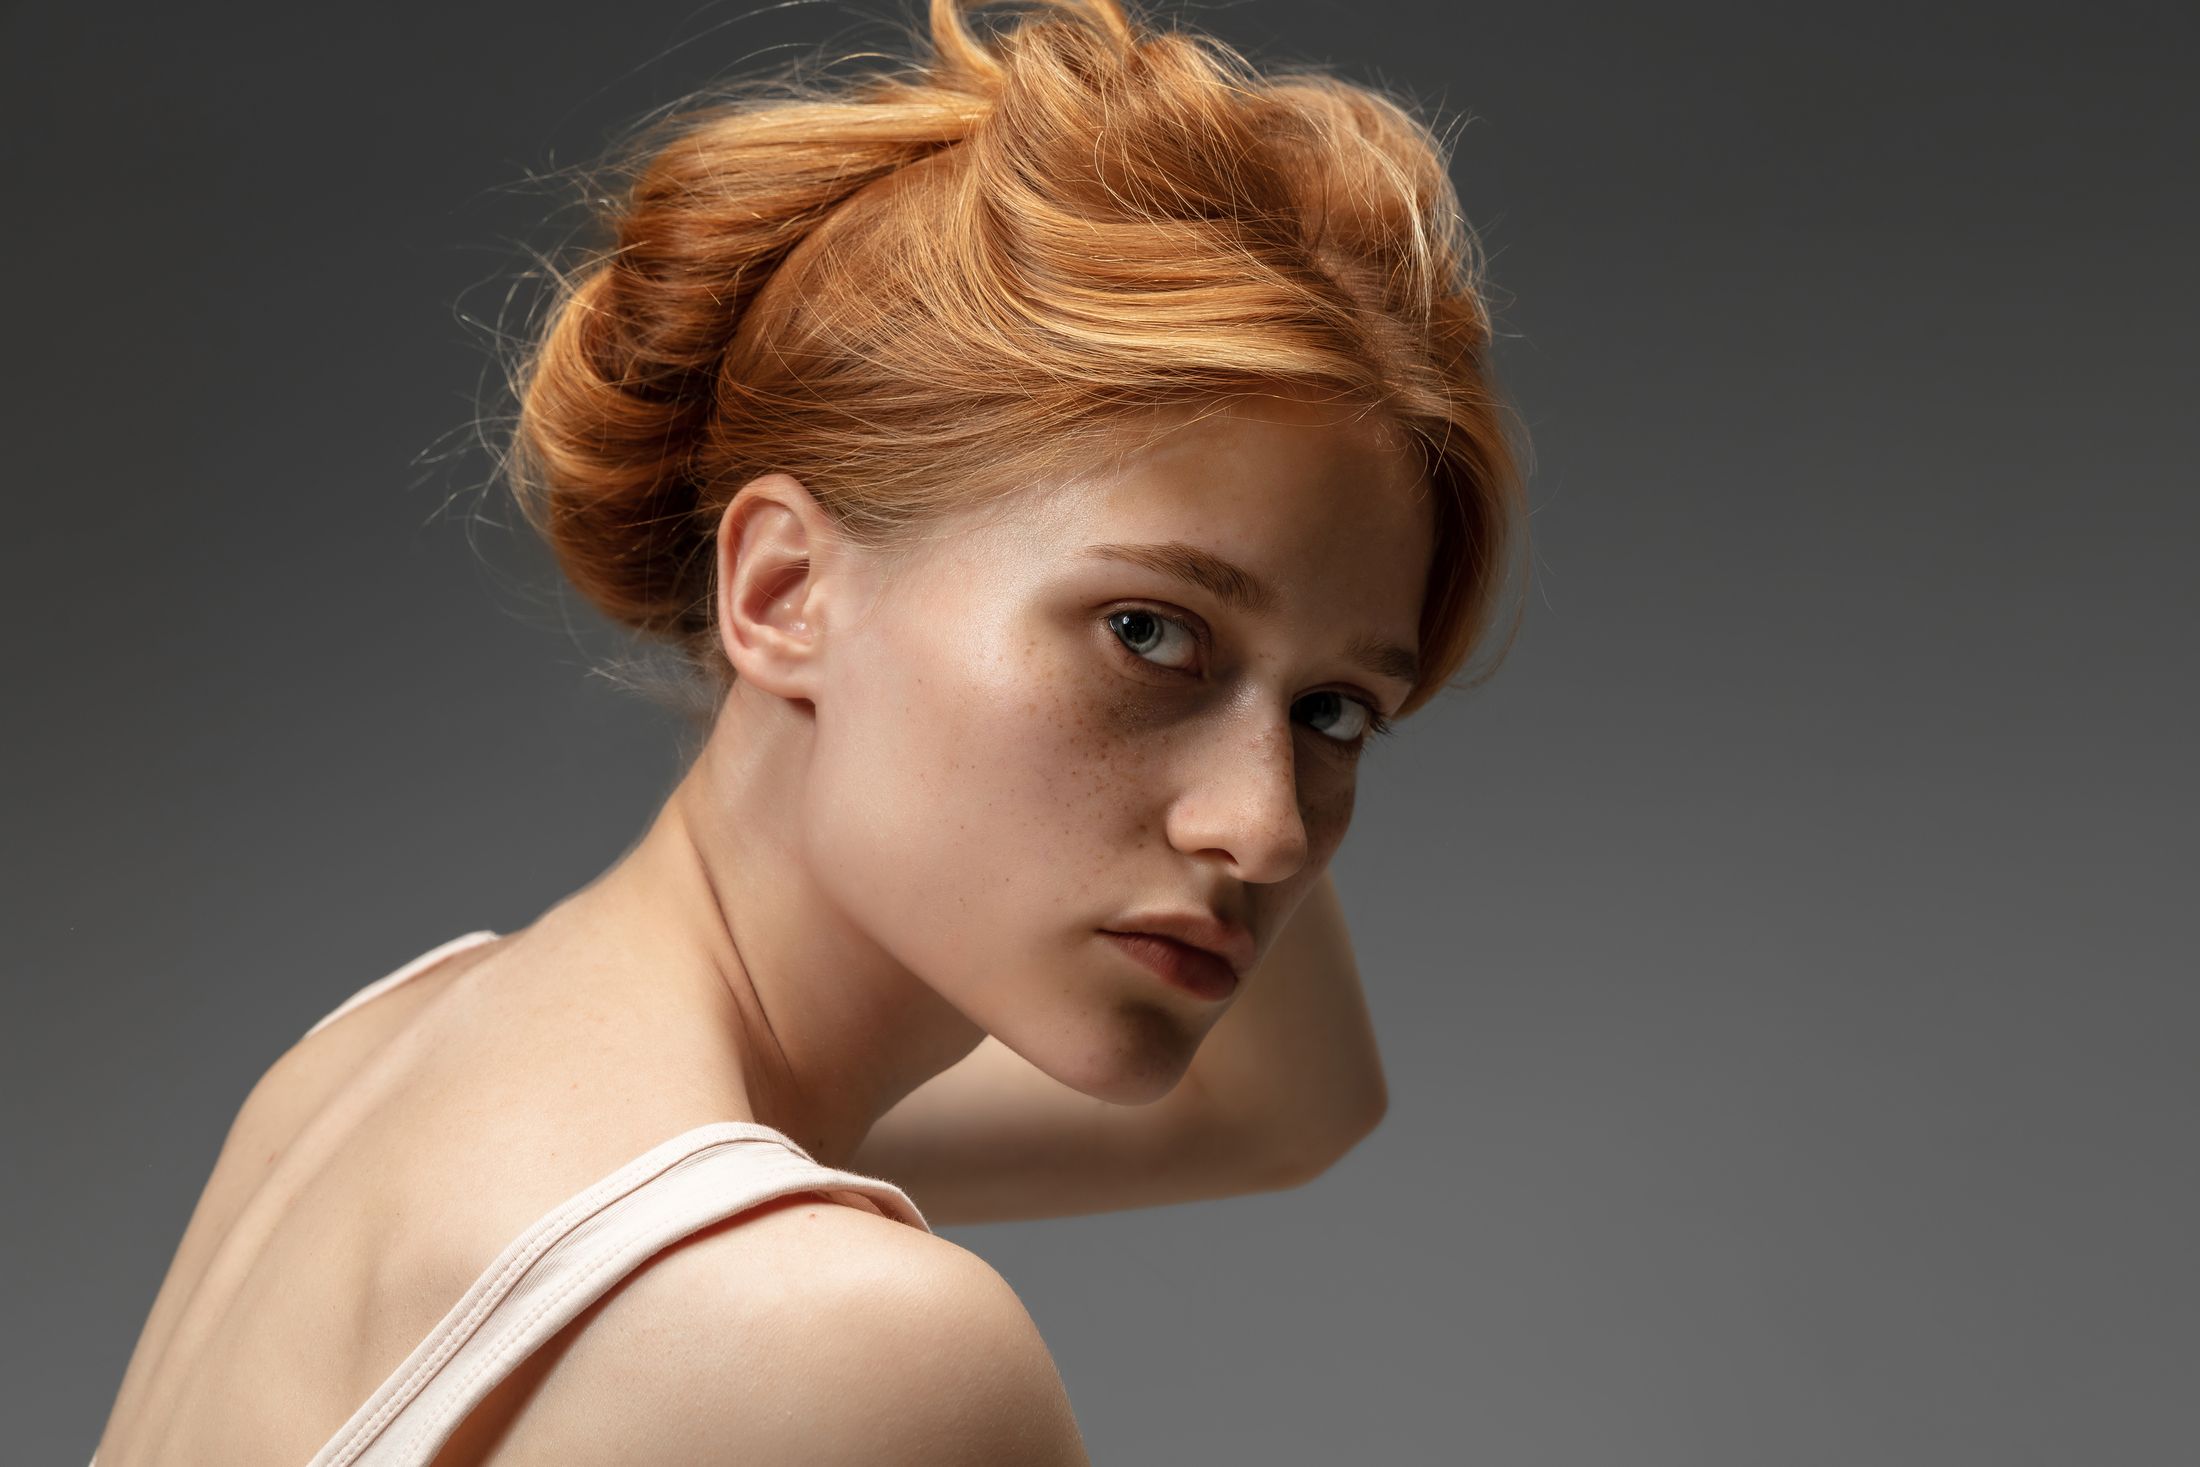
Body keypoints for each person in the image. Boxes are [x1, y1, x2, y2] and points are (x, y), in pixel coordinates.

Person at [86, 0, 1527, 1460]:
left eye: (1338, 711)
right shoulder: (843, 1345)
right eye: (1147, 630)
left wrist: (1268, 547)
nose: (1270, 828)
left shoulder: (378, 1062)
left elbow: (1288, 1103)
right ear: (782, 590)